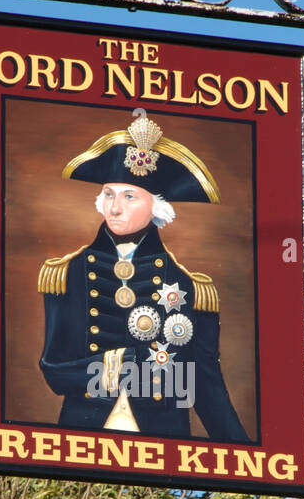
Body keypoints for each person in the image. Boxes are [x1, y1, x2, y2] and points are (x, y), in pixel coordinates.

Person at [37, 108, 249, 441]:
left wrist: (244, 456)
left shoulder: (190, 287)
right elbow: (53, 371)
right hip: (81, 440)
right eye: (109, 195)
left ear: (157, 207)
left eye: (129, 196)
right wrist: (116, 365)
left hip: (163, 440)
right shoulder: (68, 273)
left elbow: (205, 384)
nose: (115, 207)